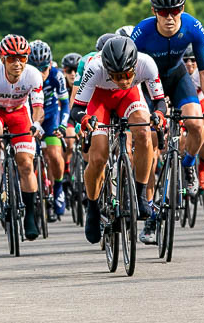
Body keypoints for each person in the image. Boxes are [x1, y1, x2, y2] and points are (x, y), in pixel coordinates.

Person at [68, 36, 165, 245]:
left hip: (130, 98)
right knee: (98, 156)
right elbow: (76, 109)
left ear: (134, 66)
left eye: (127, 75)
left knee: (144, 133)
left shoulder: (146, 63)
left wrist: (159, 115)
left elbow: (159, 102)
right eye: (116, 76)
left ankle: (139, 195)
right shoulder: (94, 68)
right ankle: (93, 208)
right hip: (100, 101)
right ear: (106, 68)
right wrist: (85, 119)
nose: (122, 81)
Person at [131, 0, 204, 198]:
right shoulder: (141, 32)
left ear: (183, 9)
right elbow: (130, 75)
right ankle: (148, 201)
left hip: (177, 77)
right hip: (148, 83)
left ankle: (188, 165)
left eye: (175, 11)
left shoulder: (193, 27)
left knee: (197, 125)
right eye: (163, 12)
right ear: (154, 12)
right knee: (149, 138)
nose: (170, 17)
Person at [0, 35, 46, 240]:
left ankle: (30, 215)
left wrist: (37, 124)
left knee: (26, 164)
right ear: (2, 58)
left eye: (22, 58)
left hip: (20, 112)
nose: (17, 63)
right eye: (11, 58)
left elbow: (38, 107)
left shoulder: (33, 75)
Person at [29, 40, 69, 220]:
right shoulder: (24, 76)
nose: (40, 73)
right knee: (28, 158)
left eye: (44, 68)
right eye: (35, 68)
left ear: (50, 64)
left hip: (51, 115)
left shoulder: (56, 75)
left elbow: (65, 104)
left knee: (53, 154)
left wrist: (62, 125)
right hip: (30, 116)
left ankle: (58, 188)